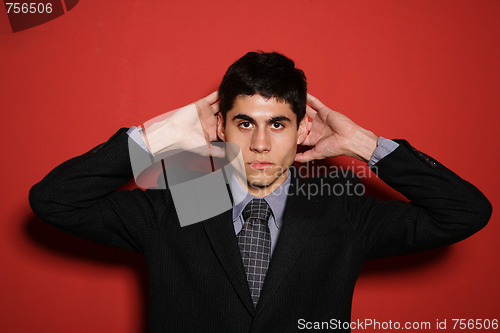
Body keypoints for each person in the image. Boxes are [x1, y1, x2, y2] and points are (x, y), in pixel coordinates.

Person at [29, 51, 492, 332]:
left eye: (278, 124)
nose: (261, 145)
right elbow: (55, 200)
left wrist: (364, 145)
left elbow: (466, 212)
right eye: (245, 123)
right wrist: (154, 138)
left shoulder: (342, 212)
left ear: (302, 128)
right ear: (220, 126)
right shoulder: (186, 198)